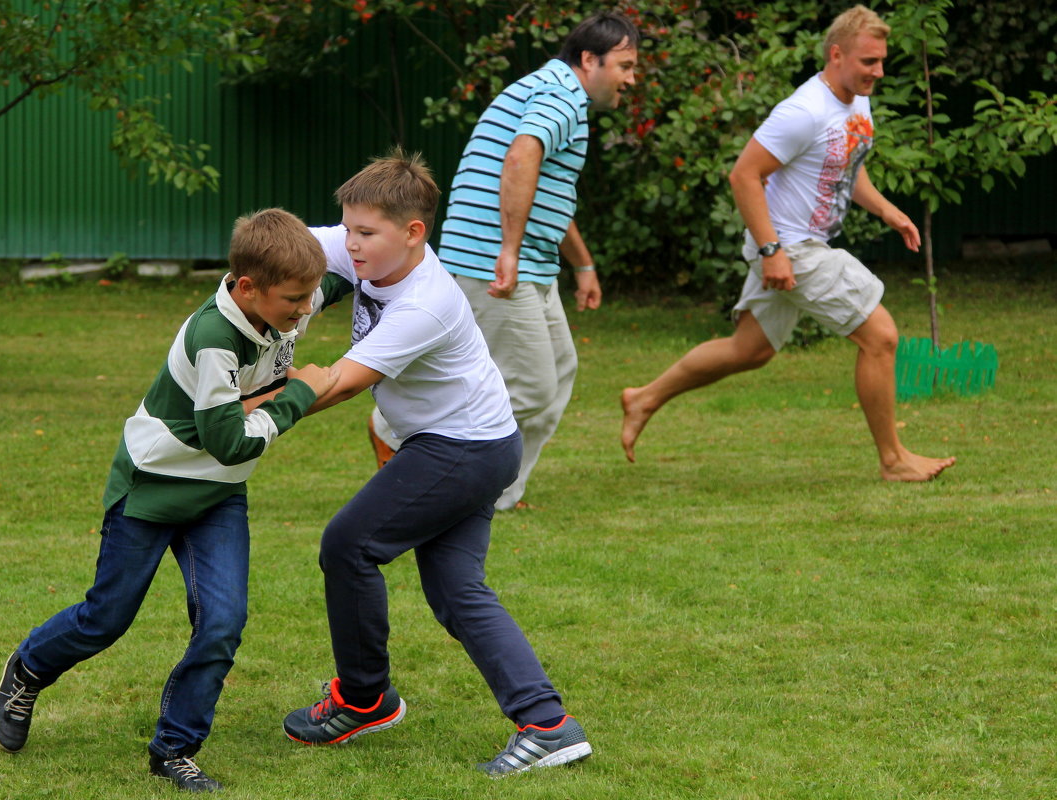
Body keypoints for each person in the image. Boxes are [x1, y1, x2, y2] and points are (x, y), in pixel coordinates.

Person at [0, 209, 342, 793]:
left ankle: (174, 748)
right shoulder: (213, 339)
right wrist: (298, 393)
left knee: (223, 621)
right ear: (247, 288)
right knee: (106, 618)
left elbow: (343, 274)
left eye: (310, 297)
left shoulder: (285, 297)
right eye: (294, 300)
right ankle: (26, 670)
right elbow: (227, 442)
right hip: (153, 486)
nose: (307, 310)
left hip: (217, 497)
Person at [275, 150, 592, 775]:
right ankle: (548, 724)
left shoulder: (427, 301)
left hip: (462, 447)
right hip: (473, 441)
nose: (351, 245)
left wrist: (249, 410)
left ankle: (363, 699)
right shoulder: (364, 248)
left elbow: (339, 383)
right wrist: (236, 296)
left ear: (413, 233)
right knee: (456, 588)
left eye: (366, 233)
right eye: (348, 229)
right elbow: (280, 253)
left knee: (348, 544)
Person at [620, 4, 955, 482]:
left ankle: (644, 398)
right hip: (791, 246)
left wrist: (886, 209)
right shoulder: (803, 111)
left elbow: (843, 166)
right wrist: (771, 250)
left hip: (797, 244)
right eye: (868, 62)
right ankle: (894, 460)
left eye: (882, 62)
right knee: (880, 337)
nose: (878, 72)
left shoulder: (857, 101)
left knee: (750, 350)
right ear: (836, 55)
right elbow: (744, 175)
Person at [366, 12, 641, 510]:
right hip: (493, 262)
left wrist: (583, 264)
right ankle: (399, 427)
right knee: (533, 387)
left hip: (523, 262)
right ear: (588, 60)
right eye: (624, 65)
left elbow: (545, 191)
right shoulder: (561, 95)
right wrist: (508, 252)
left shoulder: (553, 90)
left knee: (558, 370)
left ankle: (499, 494)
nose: (630, 79)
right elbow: (520, 158)